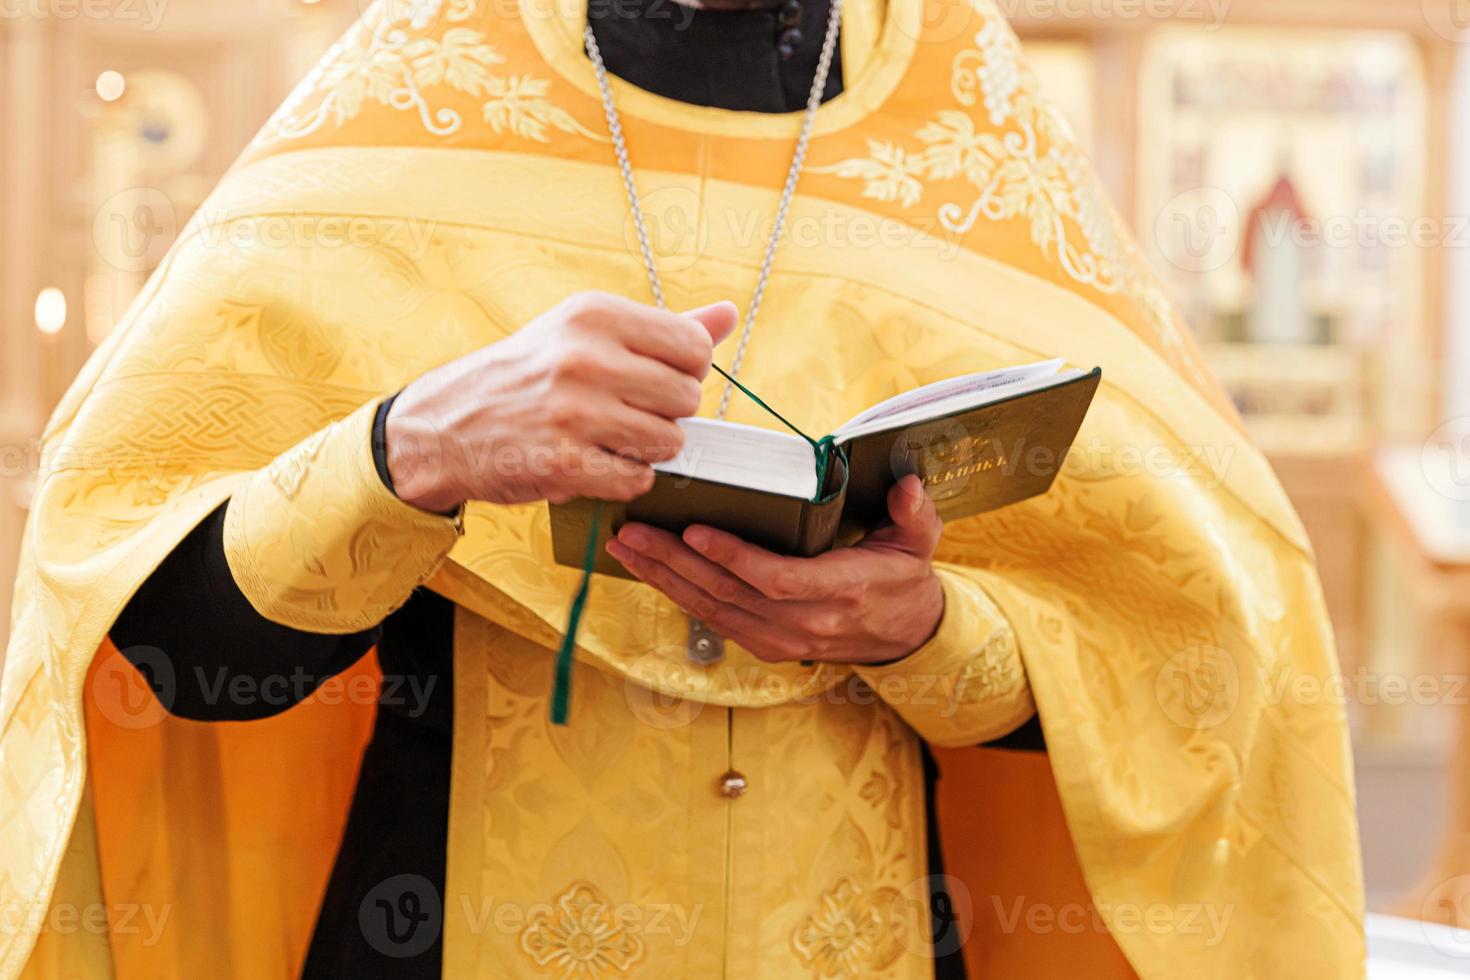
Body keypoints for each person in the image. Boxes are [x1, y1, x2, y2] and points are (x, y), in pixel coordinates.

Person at [0, 0, 1364, 976]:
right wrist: (407, 451)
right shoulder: (411, 100)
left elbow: (1185, 667)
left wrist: (925, 634)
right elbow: (153, 653)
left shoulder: (973, 135)